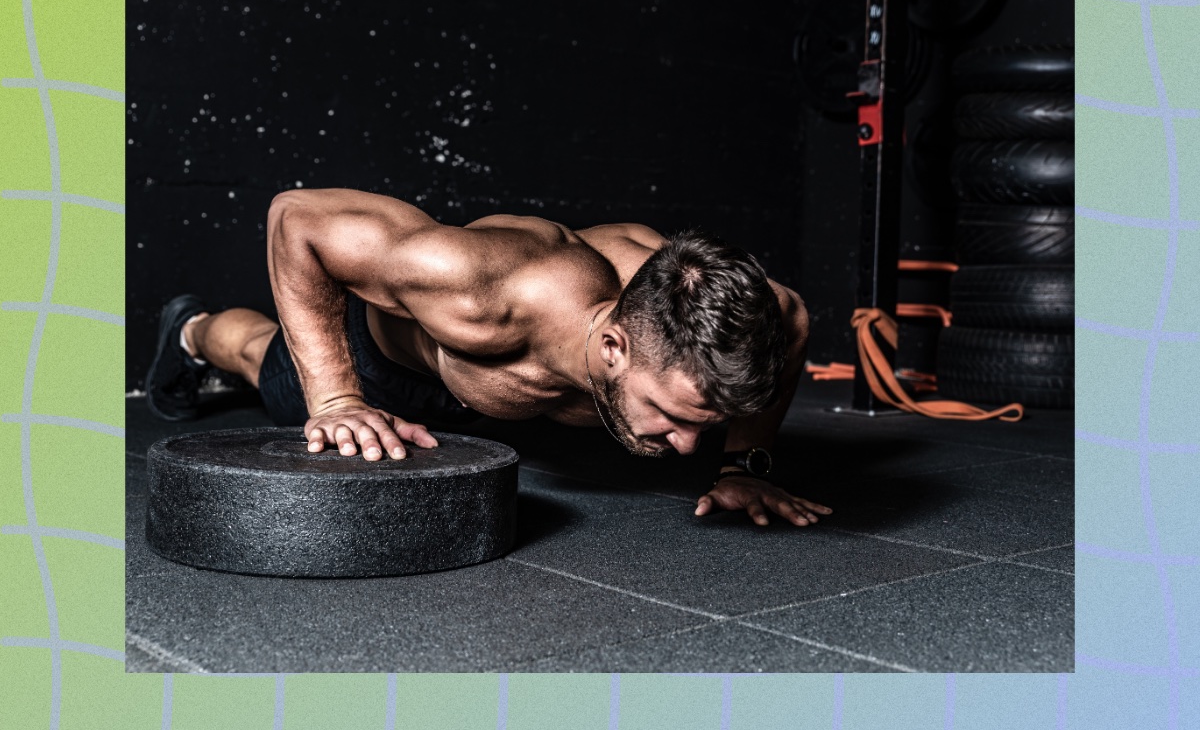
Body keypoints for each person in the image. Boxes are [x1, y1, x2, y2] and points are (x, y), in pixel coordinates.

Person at [146, 188, 832, 528]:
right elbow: (296, 217)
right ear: (614, 345)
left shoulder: (697, 331)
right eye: (669, 414)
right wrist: (336, 398)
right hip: (398, 370)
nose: (688, 447)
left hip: (503, 398)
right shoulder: (484, 292)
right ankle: (191, 328)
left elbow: (793, 314)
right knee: (261, 358)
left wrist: (744, 461)